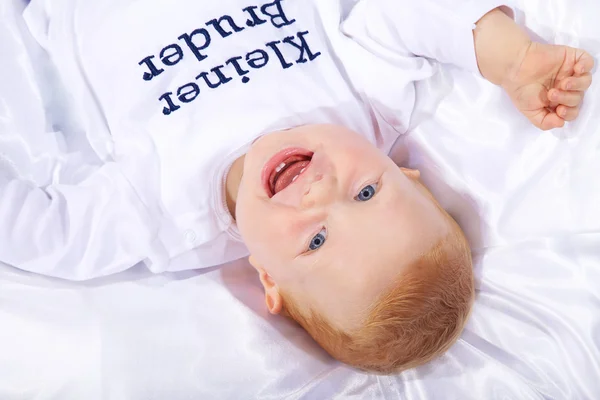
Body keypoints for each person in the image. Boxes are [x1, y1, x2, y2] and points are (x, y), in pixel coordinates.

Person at [2, 0, 593, 372]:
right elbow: (408, 13)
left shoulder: (163, 216)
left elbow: (42, 233)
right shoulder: (364, 100)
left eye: (315, 242)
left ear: (268, 279)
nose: (317, 193)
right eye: (366, 194)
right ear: (405, 174)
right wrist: (509, 59)